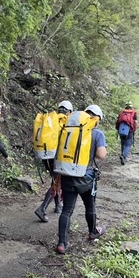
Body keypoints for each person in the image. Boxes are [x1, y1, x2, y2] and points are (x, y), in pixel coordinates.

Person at [56, 104, 107, 255]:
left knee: (67, 210)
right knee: (90, 206)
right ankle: (92, 232)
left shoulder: (69, 129)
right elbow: (101, 155)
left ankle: (62, 243)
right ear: (97, 119)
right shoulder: (97, 134)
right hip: (86, 178)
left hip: (67, 174)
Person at [34, 100, 73, 222]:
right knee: (56, 184)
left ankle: (57, 206)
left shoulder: (52, 120)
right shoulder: (66, 122)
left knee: (55, 181)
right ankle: (42, 209)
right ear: (69, 111)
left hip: (47, 157)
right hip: (58, 159)